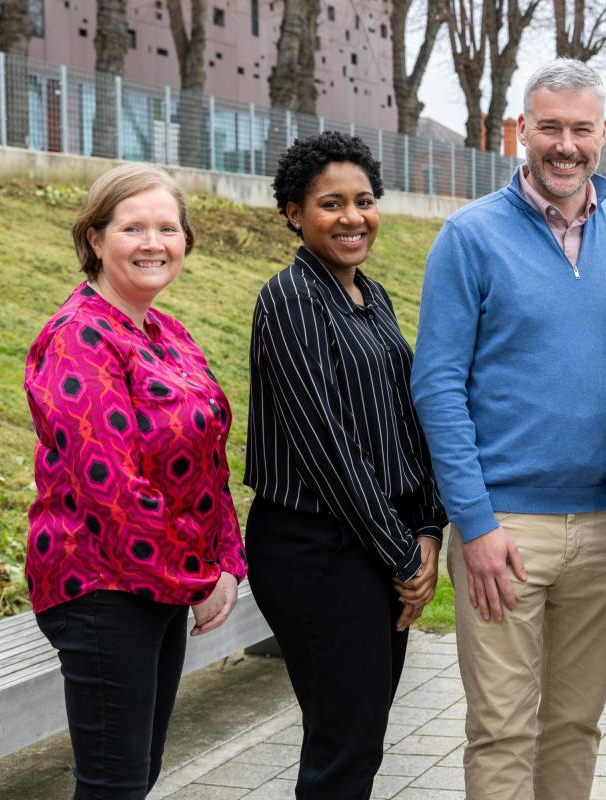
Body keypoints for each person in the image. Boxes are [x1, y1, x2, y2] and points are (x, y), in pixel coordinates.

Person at [410, 59, 606, 800]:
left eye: (580, 129)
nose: (566, 145)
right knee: (501, 730)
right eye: (549, 128)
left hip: (602, 526)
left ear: (602, 135)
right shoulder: (471, 237)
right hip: (505, 530)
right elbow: (436, 387)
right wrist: (477, 521)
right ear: (521, 133)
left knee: (574, 726)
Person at [24, 163, 246, 798]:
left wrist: (227, 559)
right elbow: (111, 487)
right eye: (133, 228)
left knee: (136, 775)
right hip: (100, 585)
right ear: (95, 238)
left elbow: (209, 457)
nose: (154, 242)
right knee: (114, 784)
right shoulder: (77, 337)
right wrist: (199, 578)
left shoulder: (166, 331)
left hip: (157, 582)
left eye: (168, 228)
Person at [244, 130, 446, 799]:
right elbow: (328, 449)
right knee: (344, 742)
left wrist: (427, 530)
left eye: (363, 200)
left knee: (360, 734)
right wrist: (403, 557)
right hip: (315, 549)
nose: (352, 217)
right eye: (331, 203)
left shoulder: (373, 296)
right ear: (293, 213)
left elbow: (404, 421)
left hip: (378, 542)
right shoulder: (290, 299)